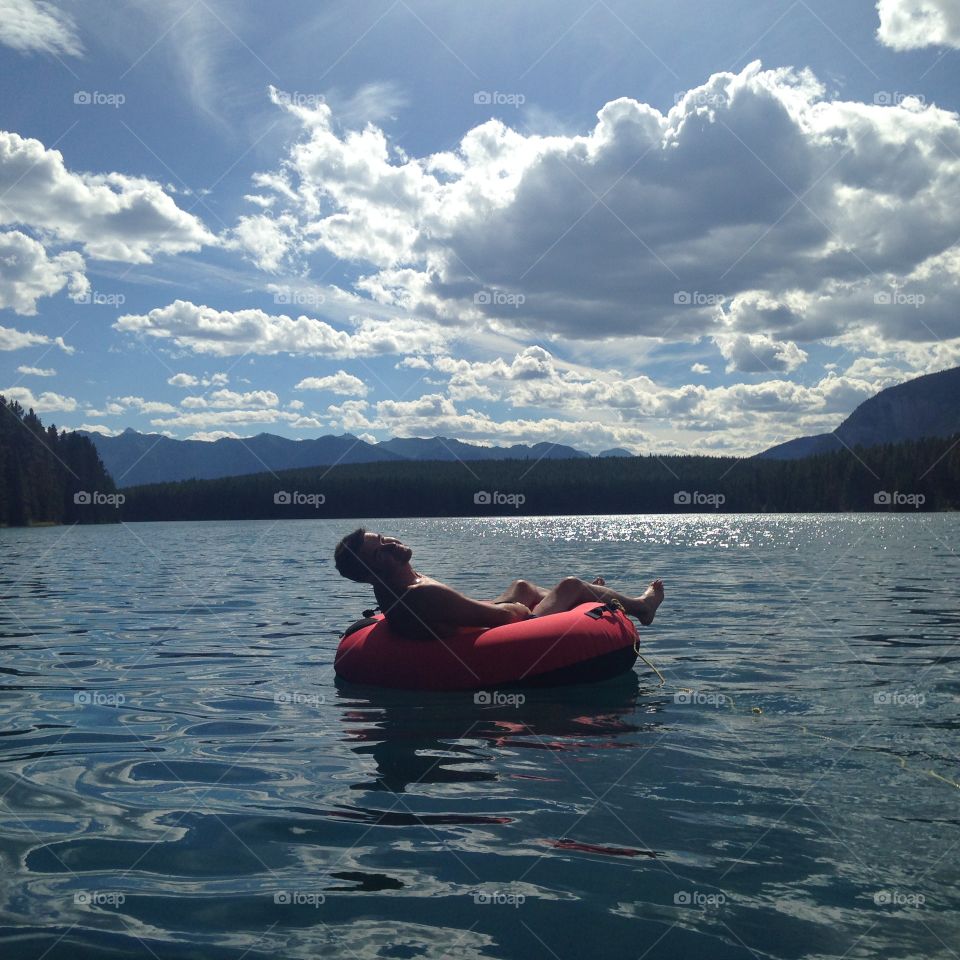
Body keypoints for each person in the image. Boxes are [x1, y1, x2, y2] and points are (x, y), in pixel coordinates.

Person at [333, 527, 664, 640]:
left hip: (468, 623)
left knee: (522, 586)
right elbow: (506, 619)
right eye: (381, 552)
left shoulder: (389, 587)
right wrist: (517, 608)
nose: (392, 544)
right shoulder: (420, 595)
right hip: (506, 632)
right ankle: (642, 607)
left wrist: (514, 600)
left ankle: (588, 596)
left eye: (384, 538)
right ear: (371, 574)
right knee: (570, 585)